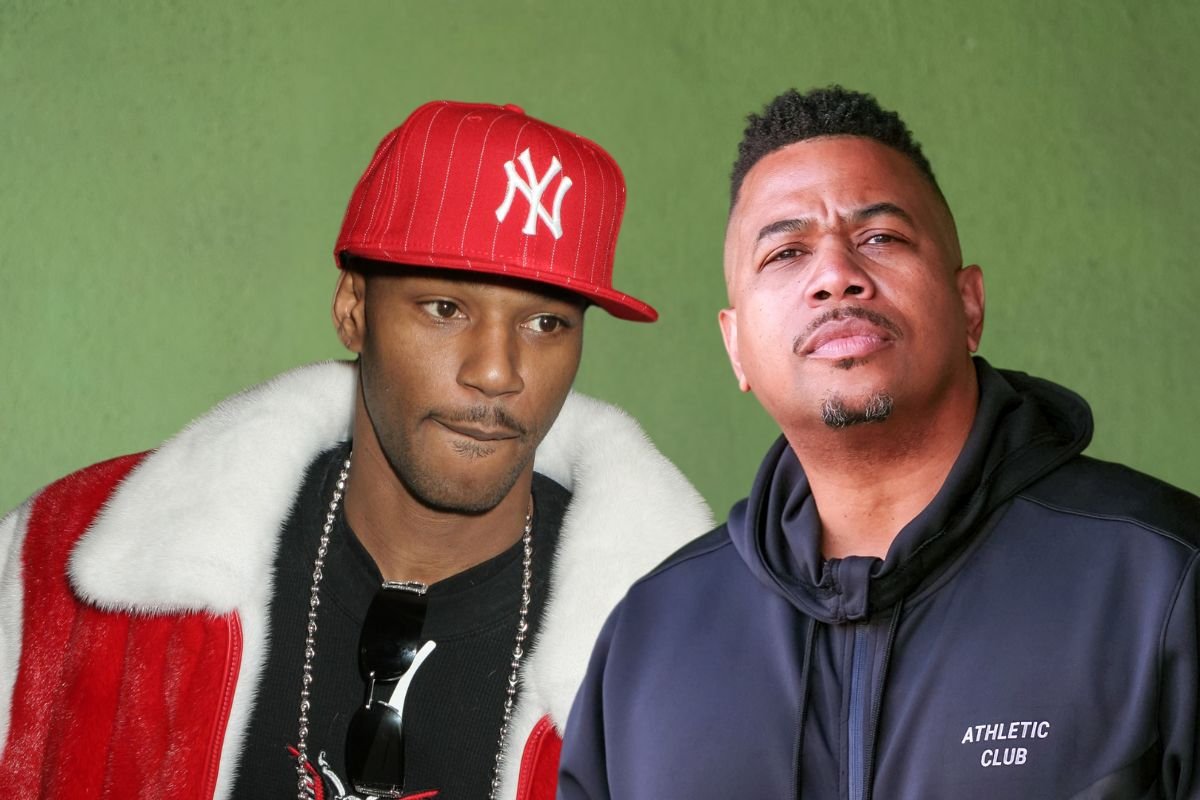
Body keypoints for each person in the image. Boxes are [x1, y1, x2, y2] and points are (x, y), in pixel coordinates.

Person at [0, 100, 712, 800]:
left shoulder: (698, 652)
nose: (497, 372)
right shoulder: (59, 559)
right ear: (352, 309)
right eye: (445, 309)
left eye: (546, 323)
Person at [557, 86, 1200, 799]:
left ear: (969, 304)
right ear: (736, 348)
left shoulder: (1163, 578)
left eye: (880, 239)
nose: (836, 276)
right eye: (786, 252)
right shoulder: (648, 639)